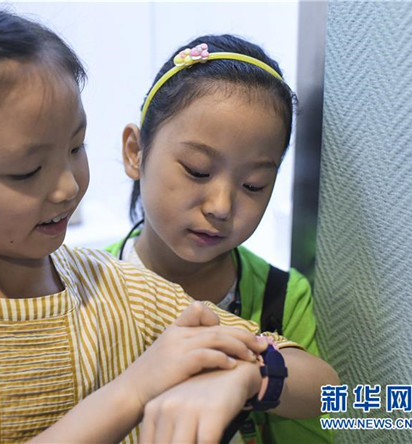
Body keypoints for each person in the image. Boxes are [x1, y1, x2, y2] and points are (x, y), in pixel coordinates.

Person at [0, 6, 338, 443]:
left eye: (76, 148)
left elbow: (349, 397)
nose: (67, 188)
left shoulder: (118, 289)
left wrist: (251, 376)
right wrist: (133, 389)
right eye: (27, 170)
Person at [106, 35, 333, 443]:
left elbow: (332, 398)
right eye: (197, 170)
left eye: (253, 184)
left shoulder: (281, 298)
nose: (221, 207)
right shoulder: (85, 285)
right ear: (135, 151)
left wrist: (252, 375)